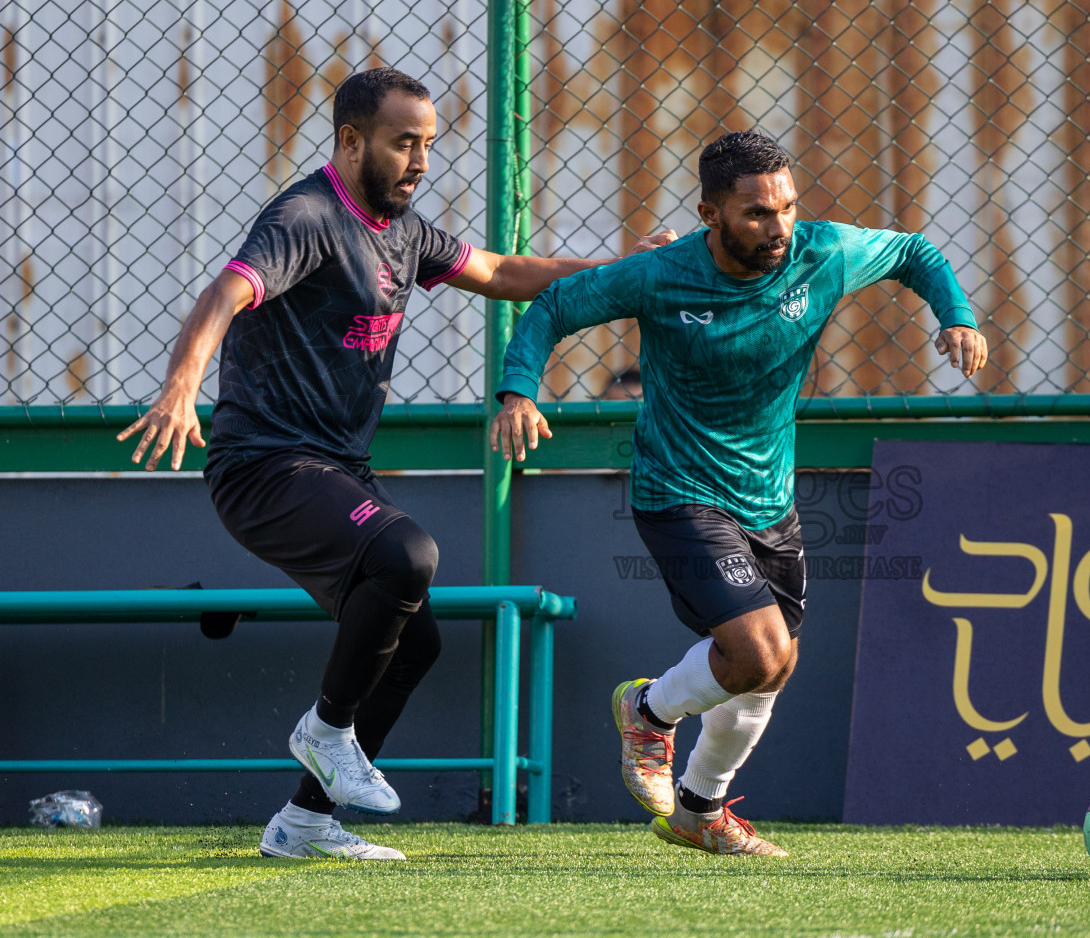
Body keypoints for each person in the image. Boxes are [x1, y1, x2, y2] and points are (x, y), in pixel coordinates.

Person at [117, 66, 673, 861]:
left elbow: (506, 274)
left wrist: (625, 273)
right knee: (409, 553)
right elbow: (225, 293)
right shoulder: (305, 217)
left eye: (429, 145)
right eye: (402, 143)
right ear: (350, 141)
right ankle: (326, 729)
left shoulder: (404, 230)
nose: (419, 160)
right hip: (264, 466)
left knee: (416, 643)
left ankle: (304, 823)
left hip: (336, 467)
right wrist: (180, 388)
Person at [490, 129, 987, 856]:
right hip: (679, 489)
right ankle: (649, 713)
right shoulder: (661, 274)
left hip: (768, 501)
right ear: (710, 214)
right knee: (757, 653)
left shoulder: (821, 253)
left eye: (786, 206)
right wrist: (517, 392)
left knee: (772, 666)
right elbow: (554, 307)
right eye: (756, 213)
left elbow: (915, 251)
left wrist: (958, 315)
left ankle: (698, 810)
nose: (778, 225)